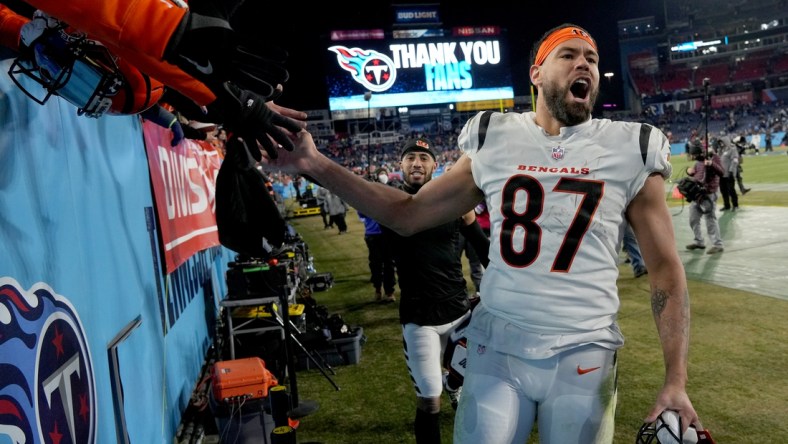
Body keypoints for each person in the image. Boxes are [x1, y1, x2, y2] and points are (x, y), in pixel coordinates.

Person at [267, 23, 705, 443]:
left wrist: (677, 379)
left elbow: (665, 270)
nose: (584, 64)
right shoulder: (495, 136)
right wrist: (313, 164)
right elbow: (407, 213)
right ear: (536, 73)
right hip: (497, 346)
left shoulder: (631, 145)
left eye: (591, 58)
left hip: (584, 349)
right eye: (568, 55)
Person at [379, 137, 489, 443]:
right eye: (411, 157)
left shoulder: (454, 204)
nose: (417, 163)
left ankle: (454, 383)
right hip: (419, 317)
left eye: (424, 158)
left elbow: (484, 249)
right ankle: (449, 384)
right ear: (399, 165)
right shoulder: (390, 203)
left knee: (477, 390)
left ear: (434, 166)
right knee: (429, 397)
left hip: (459, 313)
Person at [358, 167, 397, 302]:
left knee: (389, 264)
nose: (383, 176)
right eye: (380, 174)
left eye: (384, 174)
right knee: (375, 264)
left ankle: (390, 291)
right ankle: (377, 289)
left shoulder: (391, 191)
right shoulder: (367, 195)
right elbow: (361, 213)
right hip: (373, 235)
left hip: (387, 234)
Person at [686, 142, 725, 255]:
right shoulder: (698, 162)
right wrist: (690, 172)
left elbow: (722, 172)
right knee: (693, 218)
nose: (691, 157)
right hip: (697, 194)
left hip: (709, 194)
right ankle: (699, 242)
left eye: (692, 154)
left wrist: (712, 164)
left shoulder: (714, 157)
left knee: (710, 219)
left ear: (697, 153)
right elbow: (698, 175)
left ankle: (717, 244)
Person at [716, 134, 739, 212]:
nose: (721, 144)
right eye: (720, 143)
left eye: (722, 142)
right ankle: (727, 205)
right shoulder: (720, 150)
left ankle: (735, 205)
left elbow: (735, 160)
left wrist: (731, 171)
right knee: (723, 190)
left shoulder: (732, 149)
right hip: (721, 174)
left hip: (729, 174)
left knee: (731, 190)